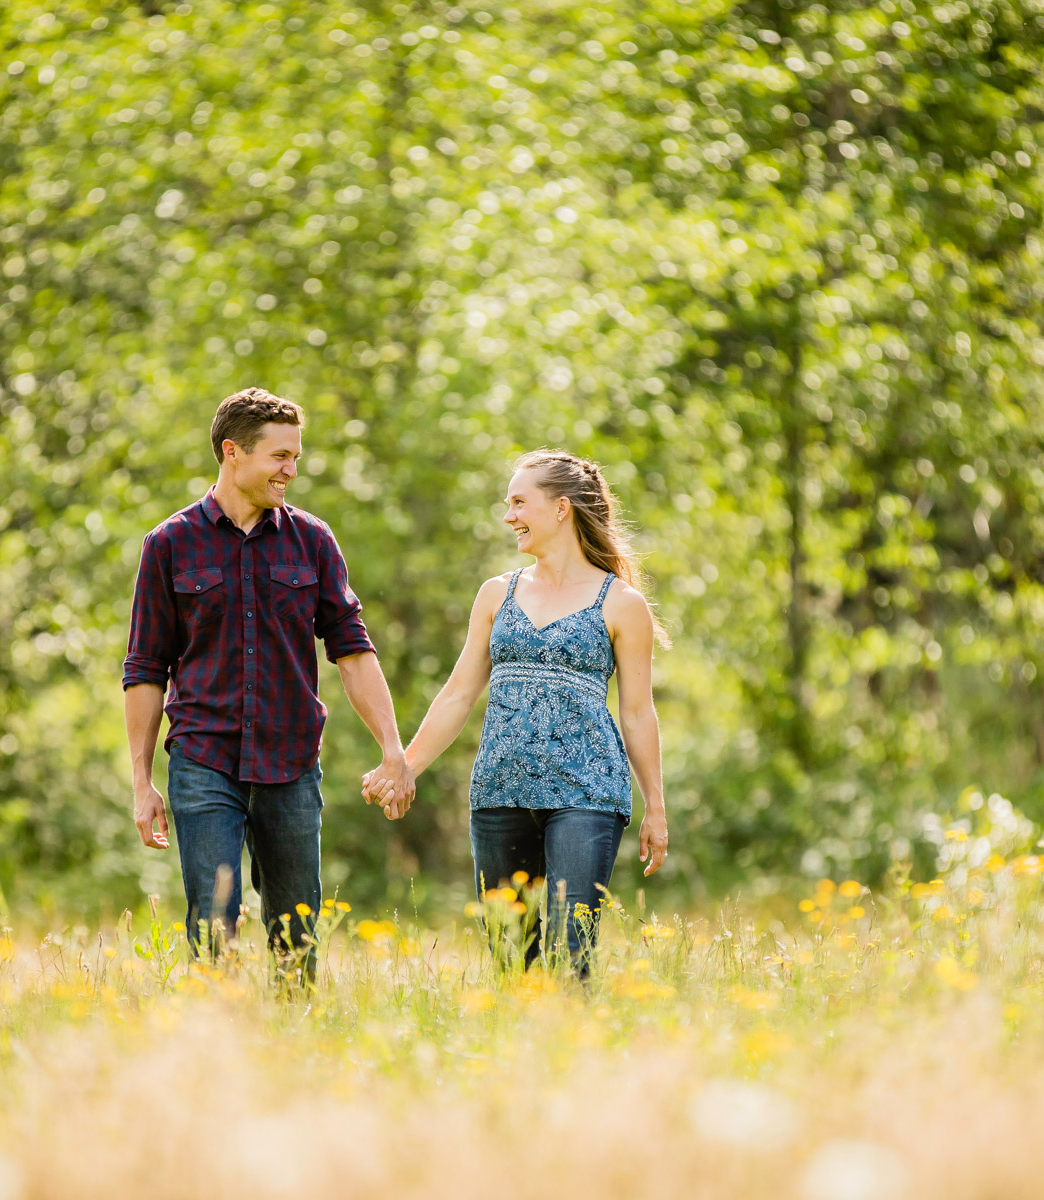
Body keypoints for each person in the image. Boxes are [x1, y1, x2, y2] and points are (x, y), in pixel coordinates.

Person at [123, 388, 413, 977]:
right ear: (233, 452)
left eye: (295, 456)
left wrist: (393, 748)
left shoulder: (313, 540)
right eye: (280, 456)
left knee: (296, 927)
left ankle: (294, 1042)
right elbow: (146, 669)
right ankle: (219, 1048)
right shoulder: (169, 545)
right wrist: (141, 780)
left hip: (291, 762)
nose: (292, 470)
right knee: (213, 920)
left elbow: (352, 650)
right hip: (204, 759)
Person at [367, 450, 668, 977]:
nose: (508, 516)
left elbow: (638, 713)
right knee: (511, 957)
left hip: (587, 793)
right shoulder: (495, 594)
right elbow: (459, 694)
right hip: (498, 790)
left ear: (561, 509)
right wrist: (405, 766)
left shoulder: (621, 603)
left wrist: (656, 807)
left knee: (570, 953)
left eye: (519, 502)